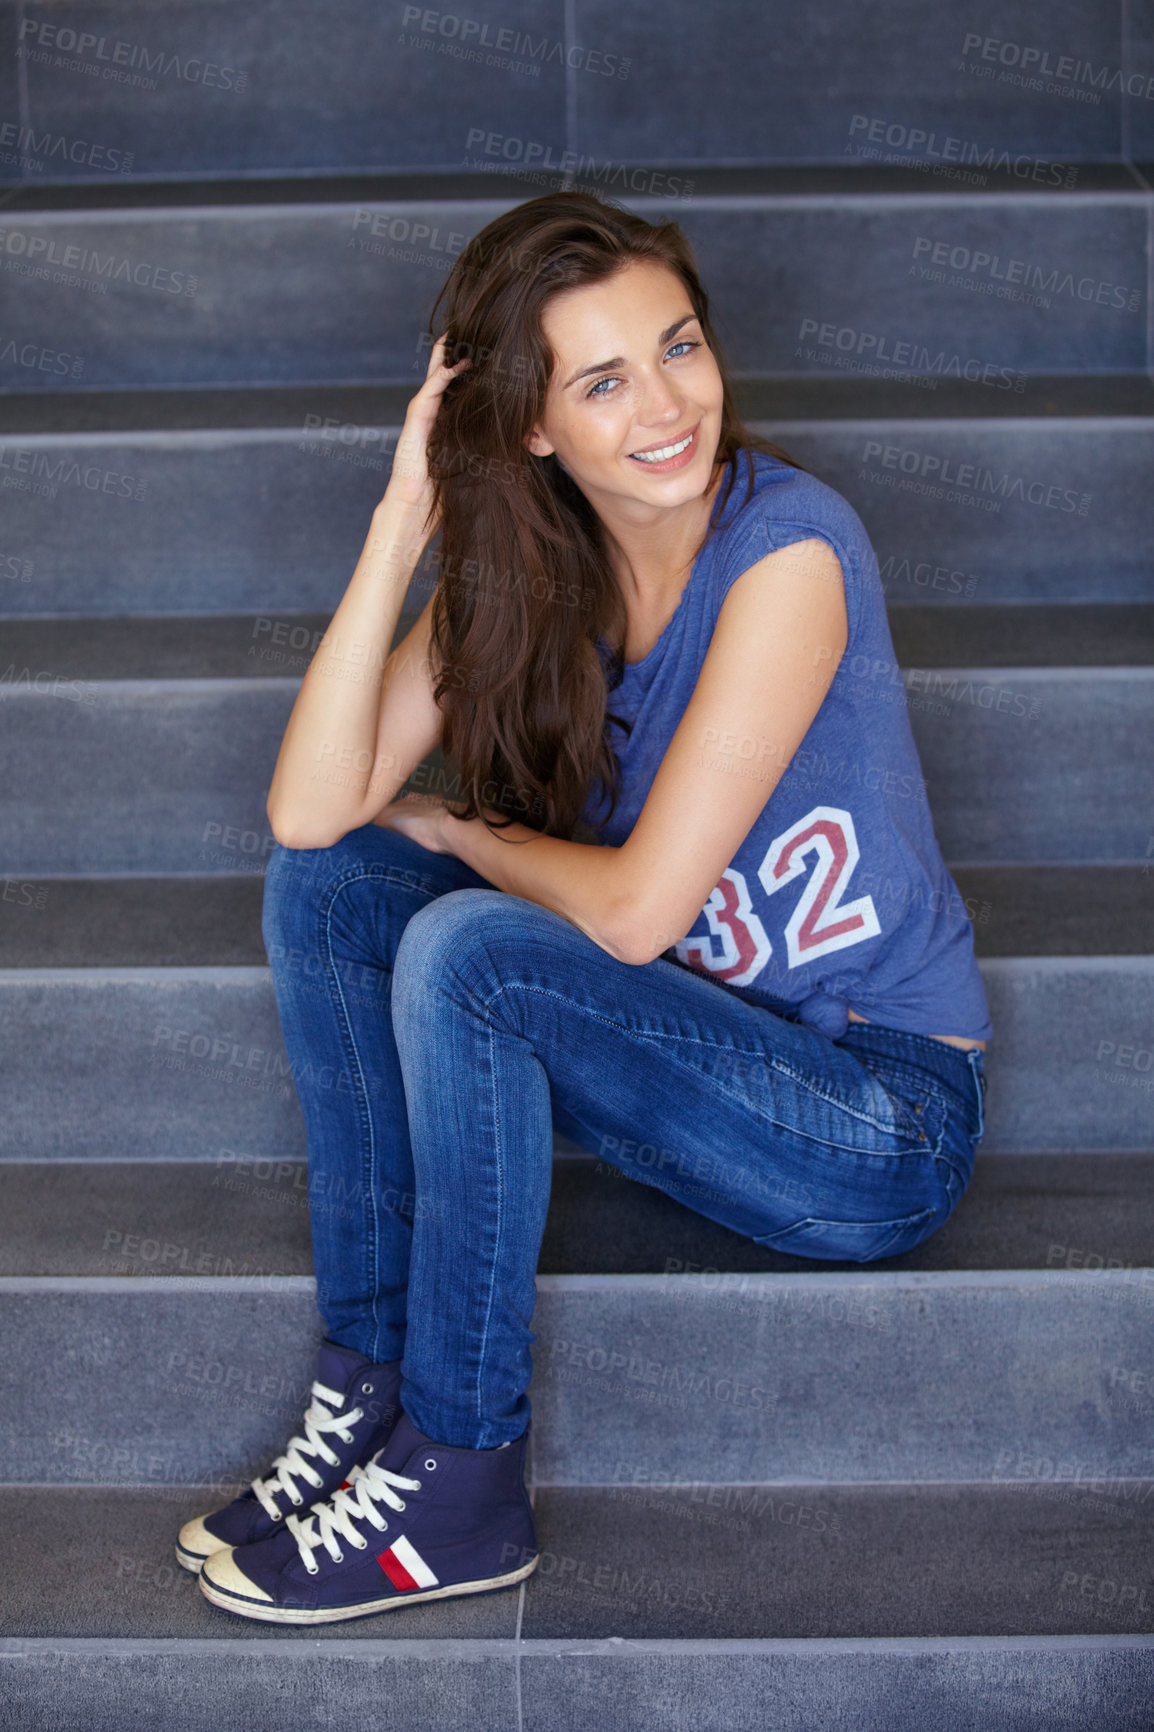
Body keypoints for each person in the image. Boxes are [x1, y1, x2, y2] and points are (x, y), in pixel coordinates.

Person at [176, 190, 990, 1625]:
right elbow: (311, 813)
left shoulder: (789, 552)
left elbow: (627, 921)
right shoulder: (527, 568)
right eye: (603, 381)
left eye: (678, 349)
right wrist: (401, 518)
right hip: (695, 1046)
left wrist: (470, 830)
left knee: (474, 947)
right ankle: (372, 1393)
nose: (667, 406)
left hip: (873, 1118)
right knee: (335, 884)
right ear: (533, 425)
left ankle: (464, 1476)